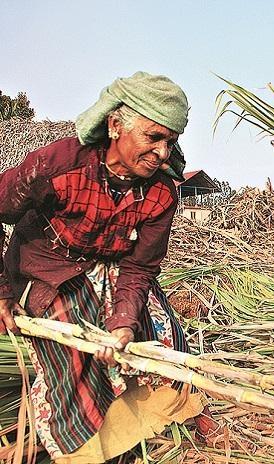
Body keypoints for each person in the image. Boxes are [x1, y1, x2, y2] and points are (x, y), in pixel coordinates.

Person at [0, 71, 217, 462]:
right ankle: (85, 448)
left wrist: (122, 322)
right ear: (115, 126)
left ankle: (180, 407)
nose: (163, 153)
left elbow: (140, 267)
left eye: (170, 141)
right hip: (47, 270)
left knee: (160, 326)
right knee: (74, 355)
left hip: (112, 267)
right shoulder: (56, 166)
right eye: (154, 138)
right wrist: (0, 292)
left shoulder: (161, 191)